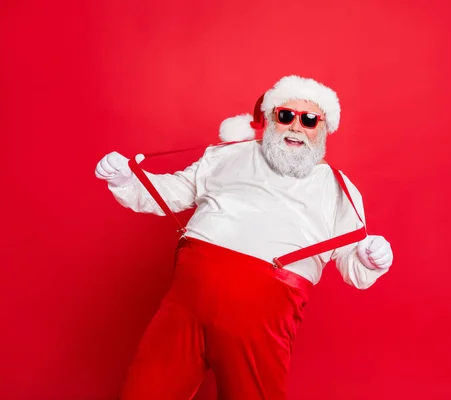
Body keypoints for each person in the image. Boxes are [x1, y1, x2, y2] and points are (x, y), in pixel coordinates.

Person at [95, 75, 394, 400]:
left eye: (308, 119)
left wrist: (369, 257)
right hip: (184, 307)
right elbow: (173, 191)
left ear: (323, 129)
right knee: (145, 391)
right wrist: (129, 179)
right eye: (286, 115)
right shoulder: (227, 155)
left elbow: (353, 260)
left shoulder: (338, 189)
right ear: (270, 119)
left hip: (260, 325)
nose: (296, 126)